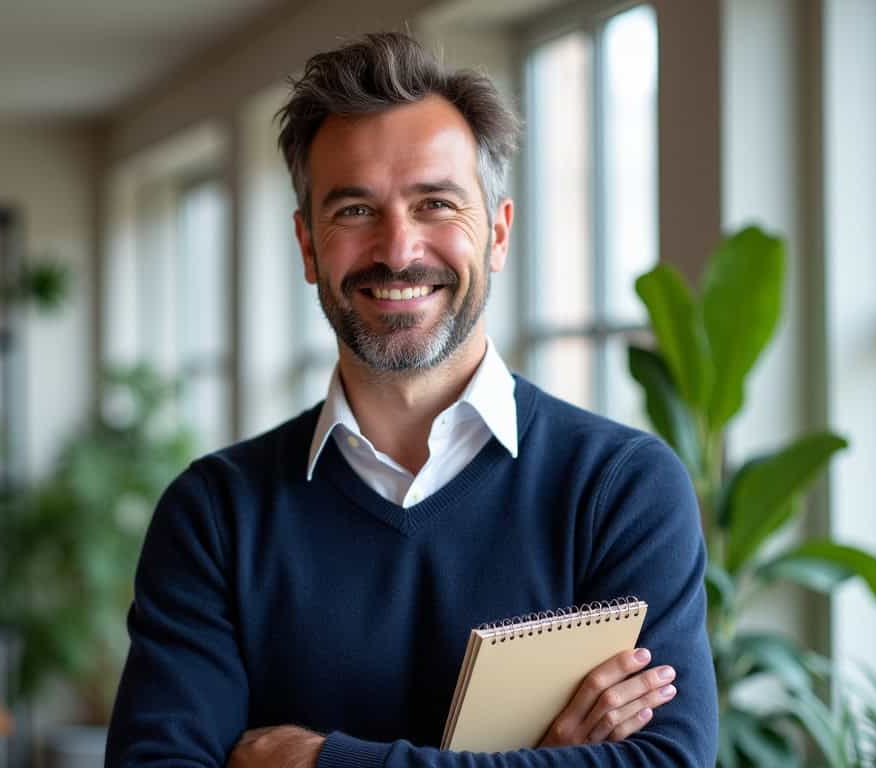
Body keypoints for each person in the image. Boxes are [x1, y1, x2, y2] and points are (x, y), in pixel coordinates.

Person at [106, 32, 716, 768]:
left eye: (435, 204)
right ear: (307, 245)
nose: (398, 250)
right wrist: (538, 758)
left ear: (496, 233)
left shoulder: (619, 490)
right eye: (355, 210)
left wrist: (319, 762)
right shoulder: (215, 516)